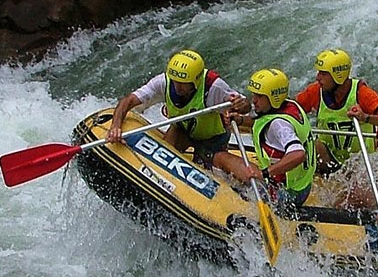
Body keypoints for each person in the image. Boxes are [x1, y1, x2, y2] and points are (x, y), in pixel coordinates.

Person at [106, 49, 250, 174]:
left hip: (212, 139)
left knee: (213, 165)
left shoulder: (214, 87)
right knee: (163, 154)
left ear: (196, 80)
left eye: (183, 83)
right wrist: (115, 126)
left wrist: (241, 104)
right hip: (182, 132)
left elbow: (245, 107)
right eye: (175, 81)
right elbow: (128, 101)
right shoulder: (163, 81)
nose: (178, 87)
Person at [225, 68, 316, 210]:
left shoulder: (279, 125)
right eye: (254, 95)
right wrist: (241, 120)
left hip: (286, 195)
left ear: (273, 97)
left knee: (221, 158)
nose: (254, 100)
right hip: (302, 186)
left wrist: (264, 173)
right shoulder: (291, 106)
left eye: (260, 96)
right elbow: (262, 123)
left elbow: (298, 154)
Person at [295, 48, 378, 174]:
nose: (318, 77)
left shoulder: (362, 93)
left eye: (323, 74)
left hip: (361, 163)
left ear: (338, 75)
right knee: (313, 145)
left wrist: (365, 117)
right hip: (329, 161)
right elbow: (290, 112)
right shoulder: (315, 91)